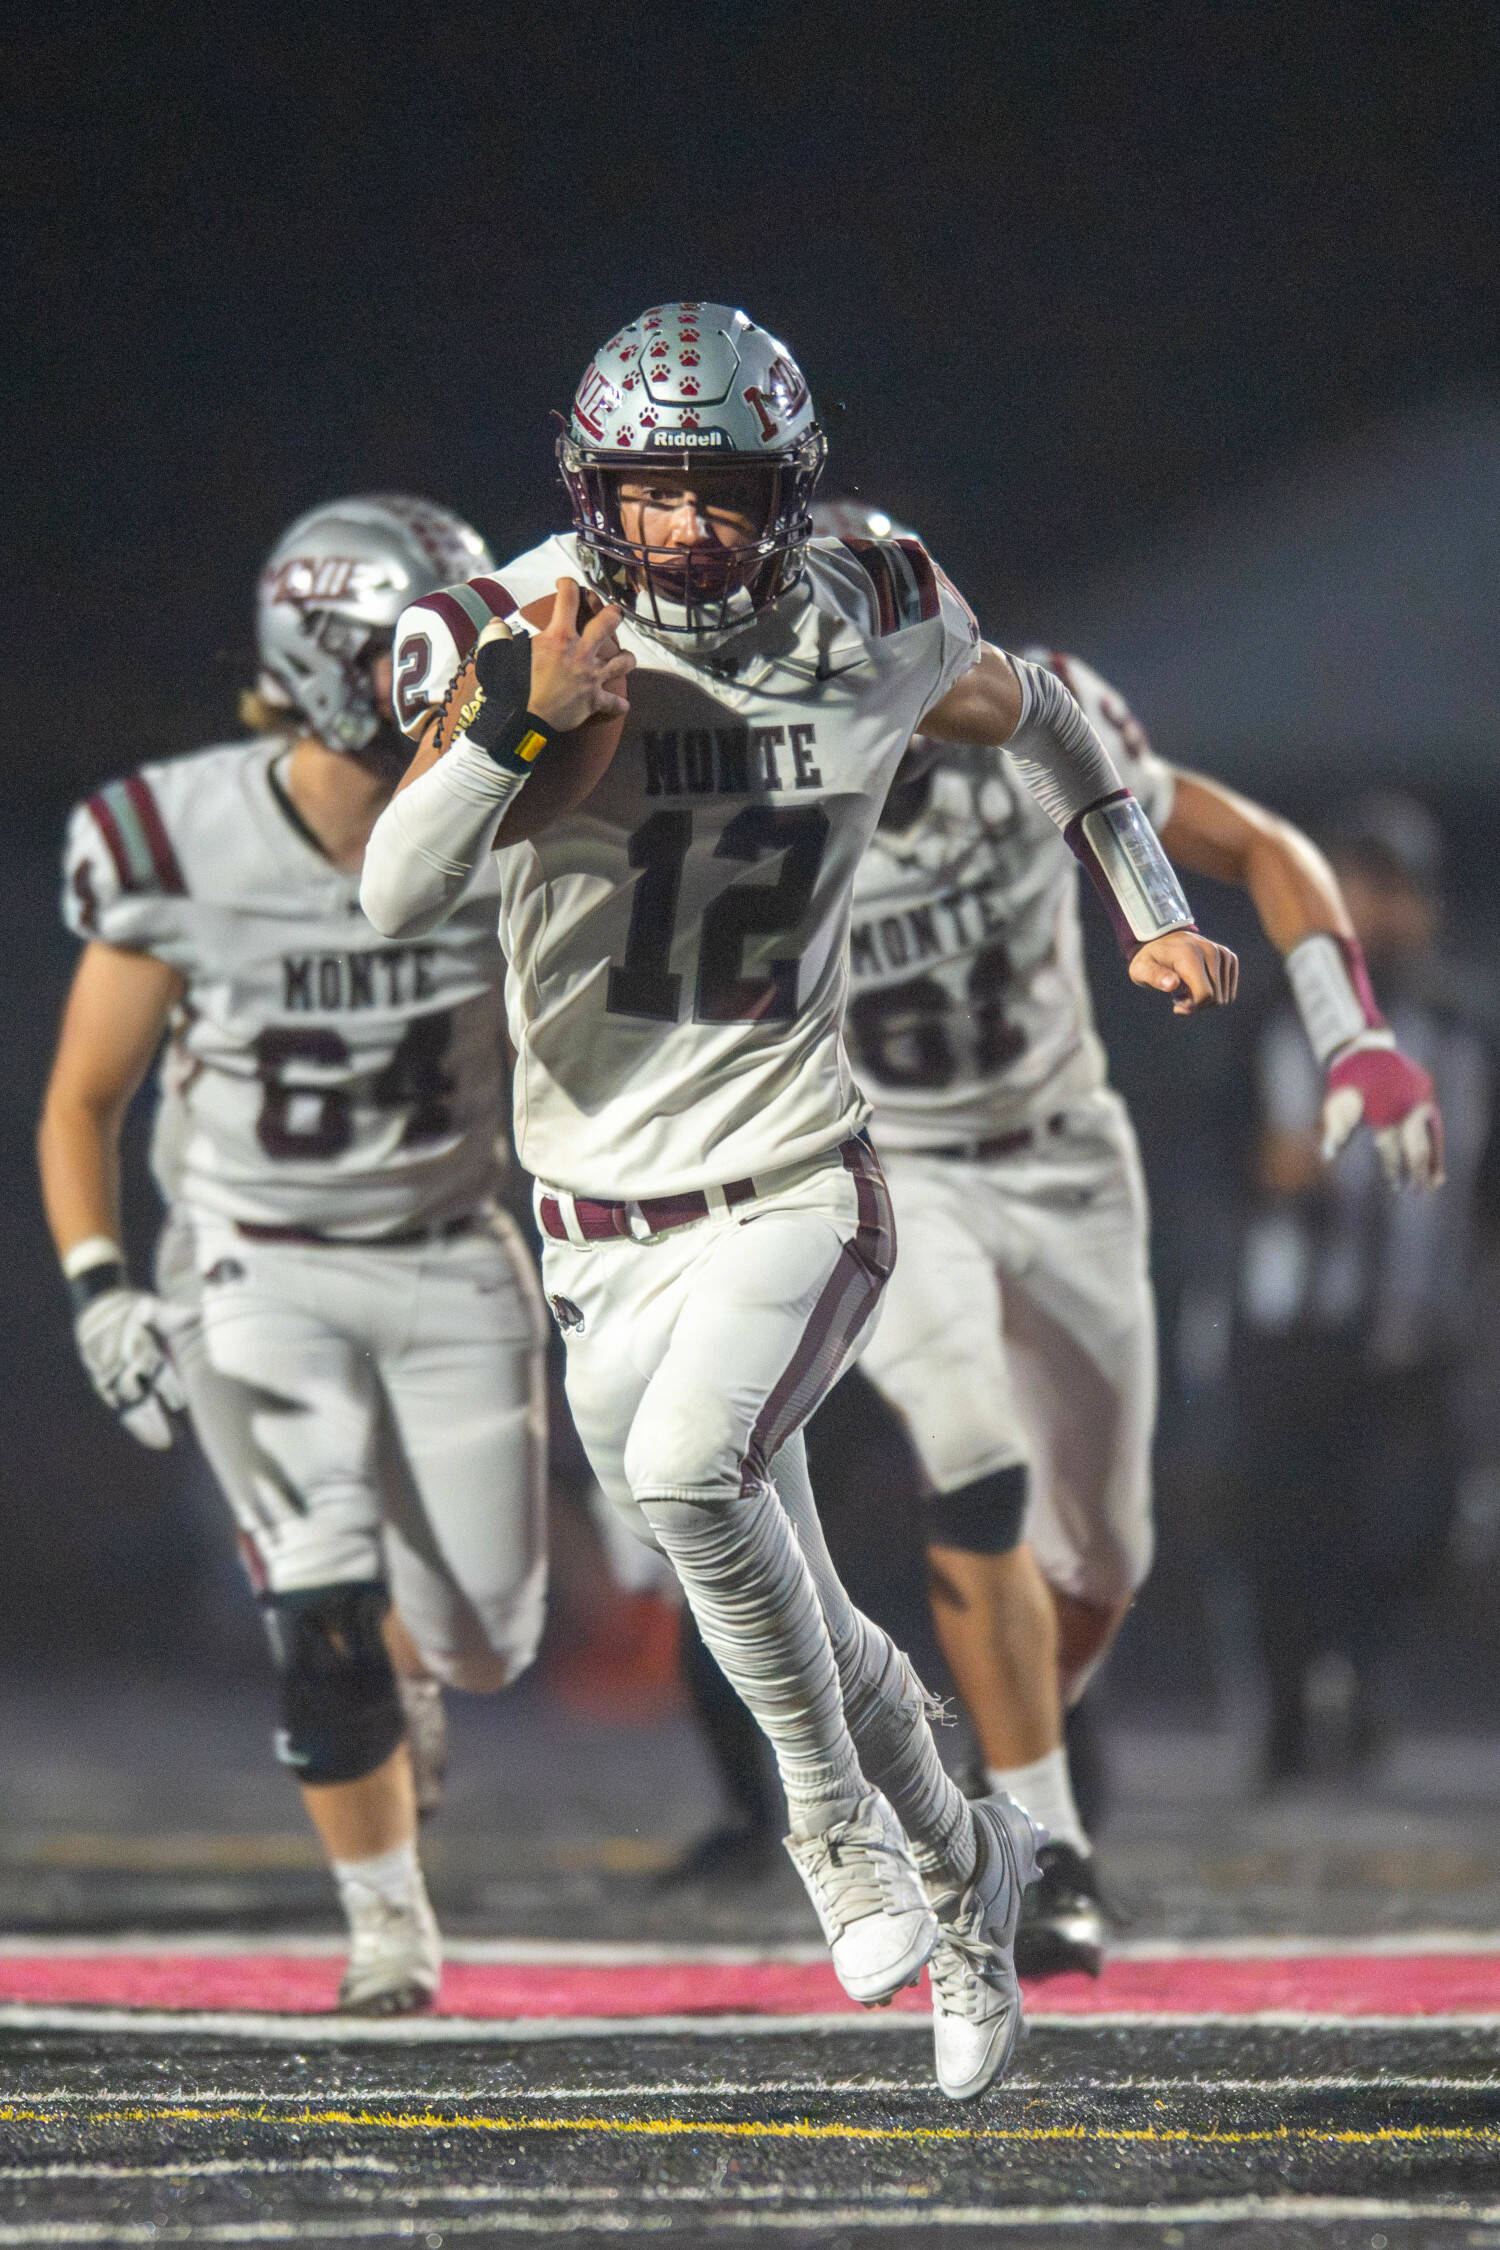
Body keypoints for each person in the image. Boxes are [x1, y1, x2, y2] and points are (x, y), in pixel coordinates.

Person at [357, 303, 1238, 2097]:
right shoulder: (514, 632)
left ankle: (831, 1822)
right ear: (590, 489)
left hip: (796, 1177)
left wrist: (1145, 898)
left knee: (696, 1476)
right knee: (797, 1595)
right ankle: (973, 1862)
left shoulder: (877, 609)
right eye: (648, 492)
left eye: (721, 490)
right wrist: (511, 737)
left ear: (792, 490)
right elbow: (392, 894)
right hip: (593, 1223)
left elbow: (1055, 719)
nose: (681, 528)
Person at [816, 505, 1443, 1973]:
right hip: (892, 1166)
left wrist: (1353, 1036)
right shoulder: (738, 776)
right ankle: (1047, 1847)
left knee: (1104, 1559)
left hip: (1066, 1162)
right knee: (971, 1456)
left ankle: (975, 1763)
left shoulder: (1034, 717)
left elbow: (1267, 846)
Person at [38, 495, 549, 2015]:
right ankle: (387, 1923)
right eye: (437, 645)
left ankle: (410, 1666)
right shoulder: (174, 833)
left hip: (454, 1251)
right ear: (343, 661)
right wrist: (98, 1282)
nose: (472, 672)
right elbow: (85, 1096)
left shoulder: (512, 810)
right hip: (252, 1265)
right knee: (313, 1584)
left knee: (490, 1637)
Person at [1232, 793, 1495, 1780]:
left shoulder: (1464, 1033)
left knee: (1415, 1525)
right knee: (1287, 1528)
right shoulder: (1270, 1017)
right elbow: (1213, 1145)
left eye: (1393, 892)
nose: (1376, 913)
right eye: (1357, 886)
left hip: (1417, 1328)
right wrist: (1267, 1164)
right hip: (1291, 1326)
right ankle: (1296, 1708)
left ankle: (1368, 1675)